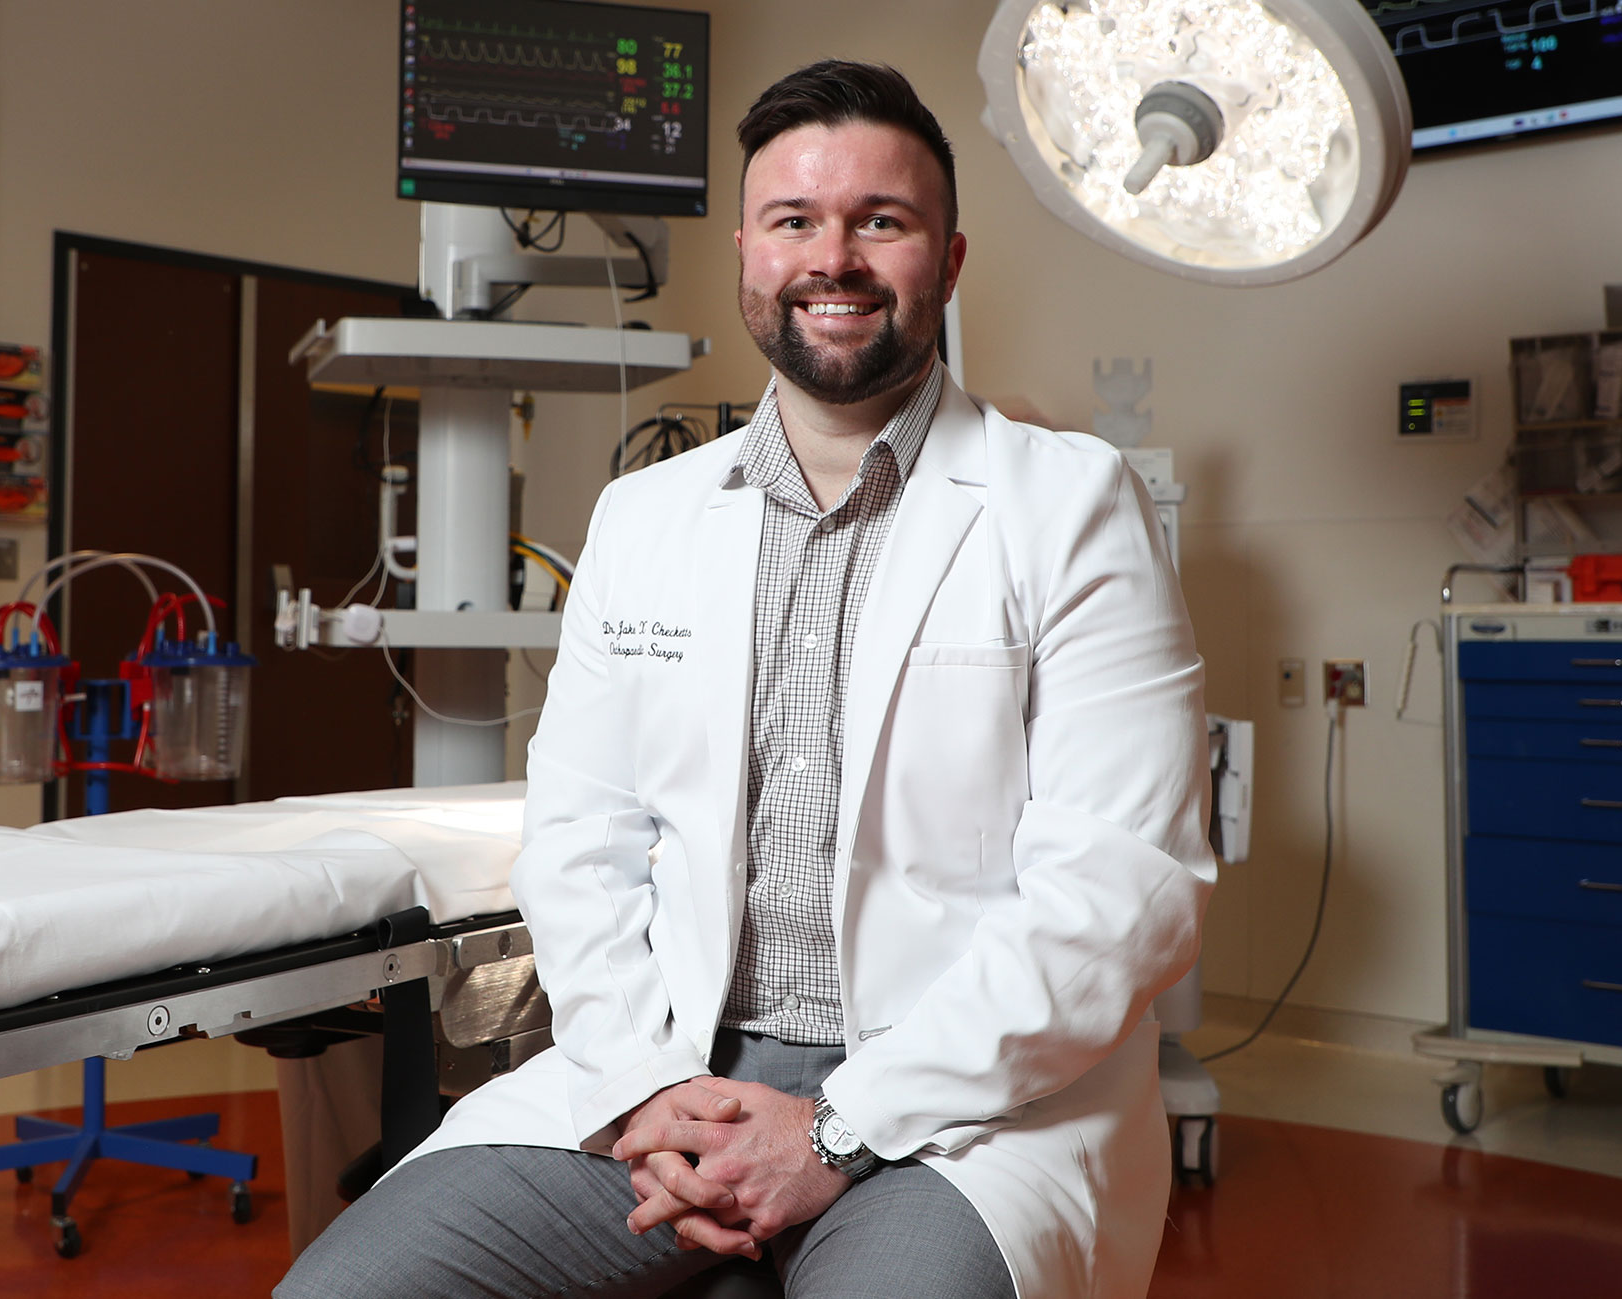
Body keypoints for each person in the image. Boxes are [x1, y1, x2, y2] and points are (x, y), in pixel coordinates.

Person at [277, 60, 1213, 1299]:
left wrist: (833, 1127)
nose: (835, 257)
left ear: (949, 256)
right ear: (745, 255)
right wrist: (647, 1092)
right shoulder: (646, 517)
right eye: (794, 222)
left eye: (881, 220)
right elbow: (580, 838)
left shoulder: (1070, 503)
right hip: (665, 1073)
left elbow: (1118, 888)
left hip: (965, 1107)